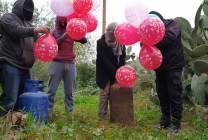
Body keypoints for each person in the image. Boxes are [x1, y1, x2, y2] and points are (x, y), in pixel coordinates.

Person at [0, 0, 50, 116]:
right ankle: (3, 125)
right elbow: (15, 31)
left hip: (25, 67)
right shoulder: (7, 17)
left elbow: (39, 41)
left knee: (22, 98)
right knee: (11, 99)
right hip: (10, 63)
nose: (28, 9)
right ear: (19, 6)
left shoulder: (28, 24)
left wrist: (49, 39)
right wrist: (36, 30)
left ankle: (14, 124)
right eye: (26, 6)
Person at [149, 11, 185, 133]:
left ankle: (176, 123)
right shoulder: (150, 32)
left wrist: (150, 39)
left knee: (174, 94)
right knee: (162, 94)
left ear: (159, 20)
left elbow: (168, 38)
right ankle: (165, 121)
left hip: (173, 67)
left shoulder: (171, 25)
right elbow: (145, 46)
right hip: (160, 68)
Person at [47, 16, 87, 113]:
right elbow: (53, 45)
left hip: (70, 63)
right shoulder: (53, 32)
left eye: (65, 21)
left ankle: (69, 113)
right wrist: (64, 36)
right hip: (57, 63)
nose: (62, 23)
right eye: (60, 21)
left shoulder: (71, 30)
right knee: (51, 91)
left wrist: (78, 30)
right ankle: (47, 112)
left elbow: (84, 41)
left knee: (69, 92)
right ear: (57, 21)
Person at [96, 22, 126, 120]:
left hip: (116, 71)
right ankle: (102, 115)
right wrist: (116, 72)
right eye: (108, 31)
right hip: (104, 72)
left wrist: (120, 72)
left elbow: (122, 59)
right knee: (104, 93)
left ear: (116, 33)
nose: (109, 33)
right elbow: (103, 60)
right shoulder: (101, 42)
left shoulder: (121, 43)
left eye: (111, 31)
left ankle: (115, 115)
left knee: (115, 93)